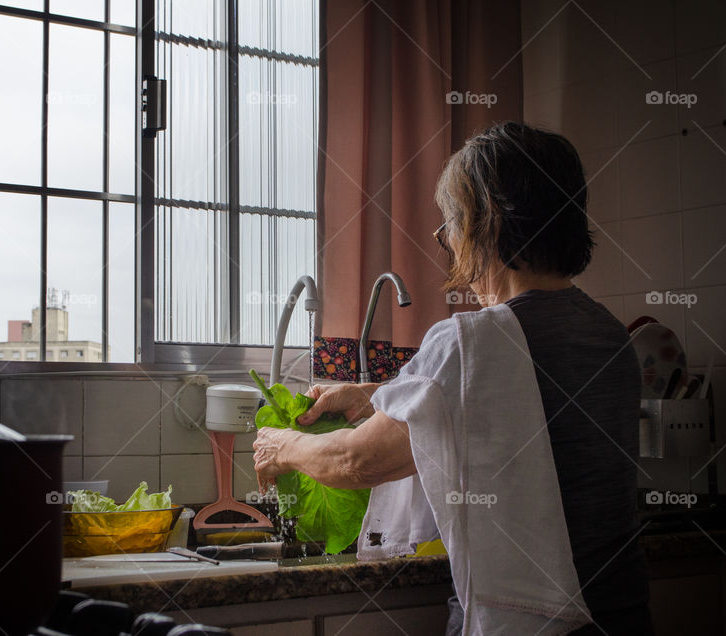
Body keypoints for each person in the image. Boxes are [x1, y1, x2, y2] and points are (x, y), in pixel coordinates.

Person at [253, 122, 653, 635]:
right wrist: (371, 395)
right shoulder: (609, 337)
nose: (449, 245)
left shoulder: (470, 340)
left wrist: (281, 446)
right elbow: (508, 398)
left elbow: (357, 460)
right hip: (621, 614)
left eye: (450, 226)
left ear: (484, 221)